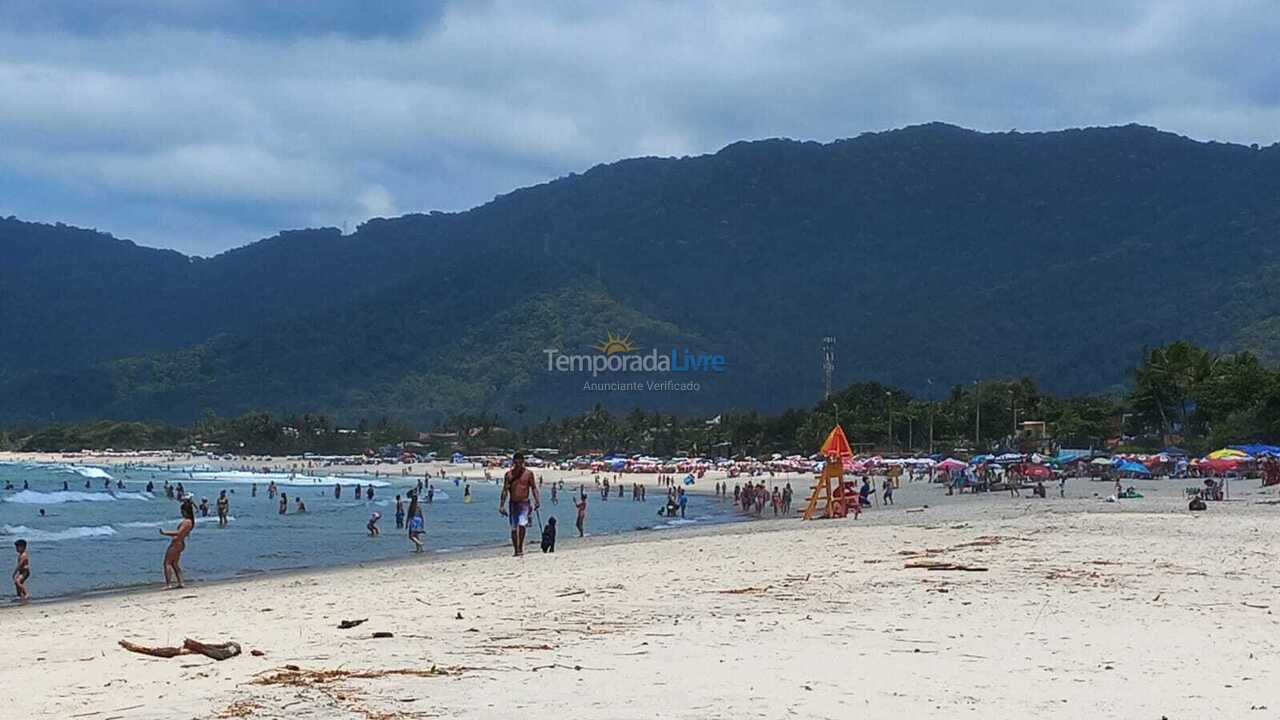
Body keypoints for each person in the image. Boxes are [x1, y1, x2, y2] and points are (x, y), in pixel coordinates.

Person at [498, 453, 541, 556]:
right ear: (513, 462)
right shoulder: (508, 475)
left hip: (524, 503)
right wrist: (501, 505)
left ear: (523, 462)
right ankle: (516, 550)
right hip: (513, 503)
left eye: (520, 463)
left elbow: (533, 487)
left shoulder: (529, 474)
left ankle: (520, 548)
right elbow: (505, 490)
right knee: (513, 527)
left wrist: (537, 500)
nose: (518, 465)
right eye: (516, 463)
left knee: (522, 525)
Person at [159, 499, 195, 590]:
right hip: (180, 543)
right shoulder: (190, 522)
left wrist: (165, 533)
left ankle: (168, 584)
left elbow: (178, 533)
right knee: (175, 563)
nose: (181, 513)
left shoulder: (186, 522)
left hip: (176, 543)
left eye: (182, 511)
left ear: (185, 511)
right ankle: (181, 582)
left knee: (167, 563)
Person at [12, 539, 30, 604]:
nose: (16, 549)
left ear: (23, 547)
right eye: (16, 547)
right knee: (17, 584)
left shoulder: (24, 555)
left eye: (18, 547)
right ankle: (20, 596)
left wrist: (14, 572)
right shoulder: (20, 554)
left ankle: (26, 594)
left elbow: (20, 565)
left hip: (25, 572)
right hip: (21, 572)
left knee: (17, 582)